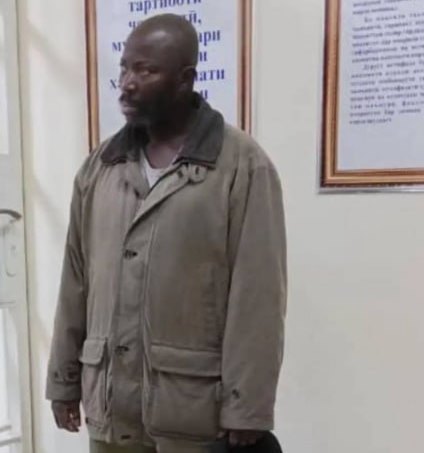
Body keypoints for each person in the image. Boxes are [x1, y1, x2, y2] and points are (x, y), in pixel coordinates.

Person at [45, 13, 287, 453]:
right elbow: (75, 279)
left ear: (185, 79)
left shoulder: (241, 167)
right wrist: (63, 379)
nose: (127, 83)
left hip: (191, 416)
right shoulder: (101, 167)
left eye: (146, 70)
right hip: (112, 415)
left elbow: (258, 296)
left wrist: (246, 407)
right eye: (125, 68)